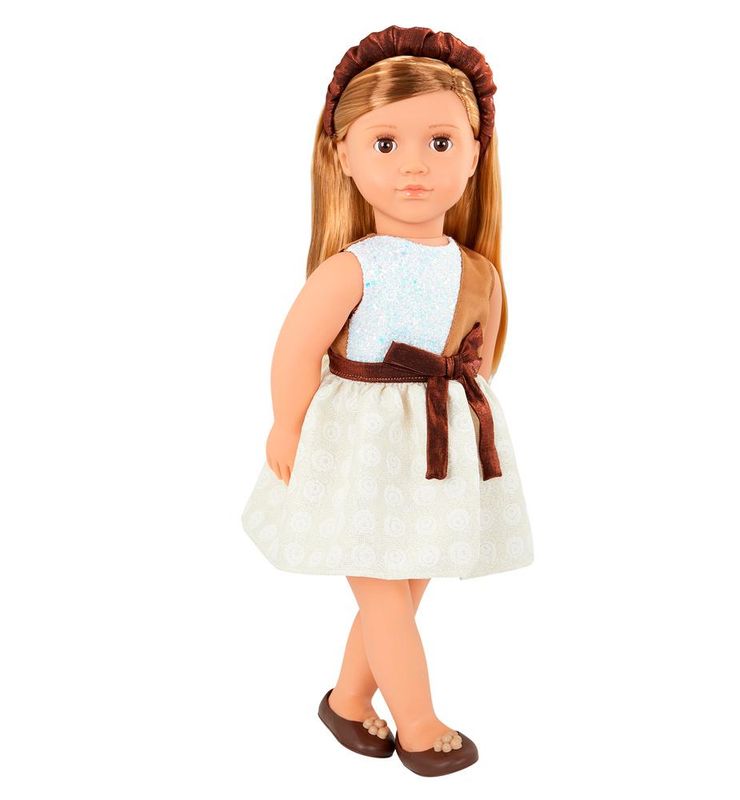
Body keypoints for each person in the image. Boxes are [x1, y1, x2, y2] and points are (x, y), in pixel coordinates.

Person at [241, 25, 534, 777]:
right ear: (344, 156)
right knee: (384, 595)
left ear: (475, 153)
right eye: (385, 144)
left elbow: (477, 361)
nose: (413, 165)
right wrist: (286, 423)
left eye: (440, 142)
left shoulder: (479, 271)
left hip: (436, 452)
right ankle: (418, 723)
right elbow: (296, 350)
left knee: (403, 587)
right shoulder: (353, 268)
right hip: (359, 450)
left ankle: (347, 701)